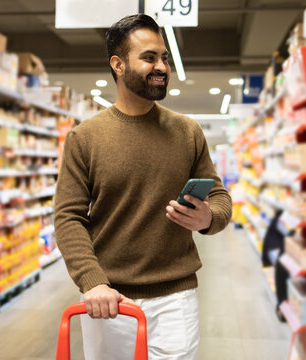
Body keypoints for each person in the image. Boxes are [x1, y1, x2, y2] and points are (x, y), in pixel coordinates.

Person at [53, 13, 232, 360]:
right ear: (118, 65)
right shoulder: (84, 138)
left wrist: (208, 218)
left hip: (176, 298)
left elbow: (220, 197)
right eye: (149, 57)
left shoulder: (187, 131)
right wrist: (92, 281)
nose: (162, 66)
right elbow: (69, 218)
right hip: (108, 298)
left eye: (164, 57)